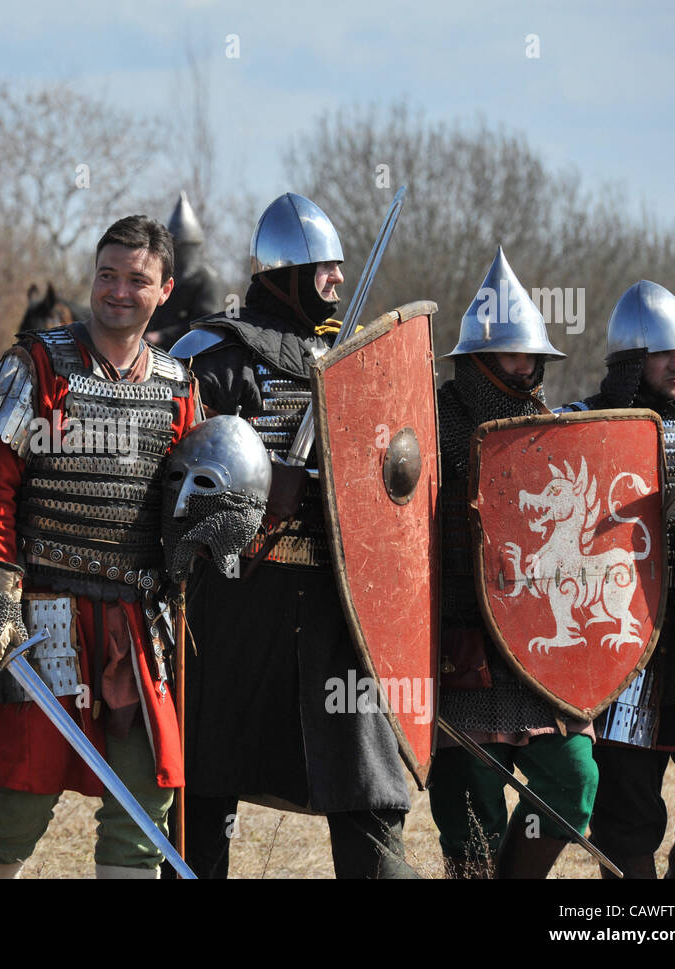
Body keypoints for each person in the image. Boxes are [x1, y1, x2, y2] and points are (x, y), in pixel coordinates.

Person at [170, 192, 414, 879]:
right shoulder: (211, 355)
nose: (336, 281)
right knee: (203, 791)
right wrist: (253, 499)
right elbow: (175, 486)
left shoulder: (357, 359)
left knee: (370, 796)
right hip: (234, 605)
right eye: (322, 270)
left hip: (337, 609)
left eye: (339, 269)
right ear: (284, 275)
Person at [0, 215, 198, 878]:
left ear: (165, 289)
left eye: (137, 279)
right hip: (44, 617)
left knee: (144, 802)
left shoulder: (179, 388)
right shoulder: (37, 363)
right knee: (14, 802)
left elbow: (191, 504)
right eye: (108, 275)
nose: (118, 290)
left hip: (135, 623)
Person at [428, 246, 598, 878]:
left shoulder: (552, 431)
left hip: (539, 652)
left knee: (574, 780)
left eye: (532, 355)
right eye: (511, 353)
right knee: (470, 811)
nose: (524, 367)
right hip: (459, 649)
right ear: (476, 360)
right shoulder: (434, 421)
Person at [563, 280, 675, 878]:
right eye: (663, 353)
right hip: (623, 640)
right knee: (625, 799)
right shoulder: (587, 426)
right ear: (630, 362)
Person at [144, 192, 228, 351]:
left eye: (180, 247)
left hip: (193, 359)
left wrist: (162, 336)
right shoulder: (166, 279)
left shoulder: (208, 280)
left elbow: (206, 325)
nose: (176, 251)